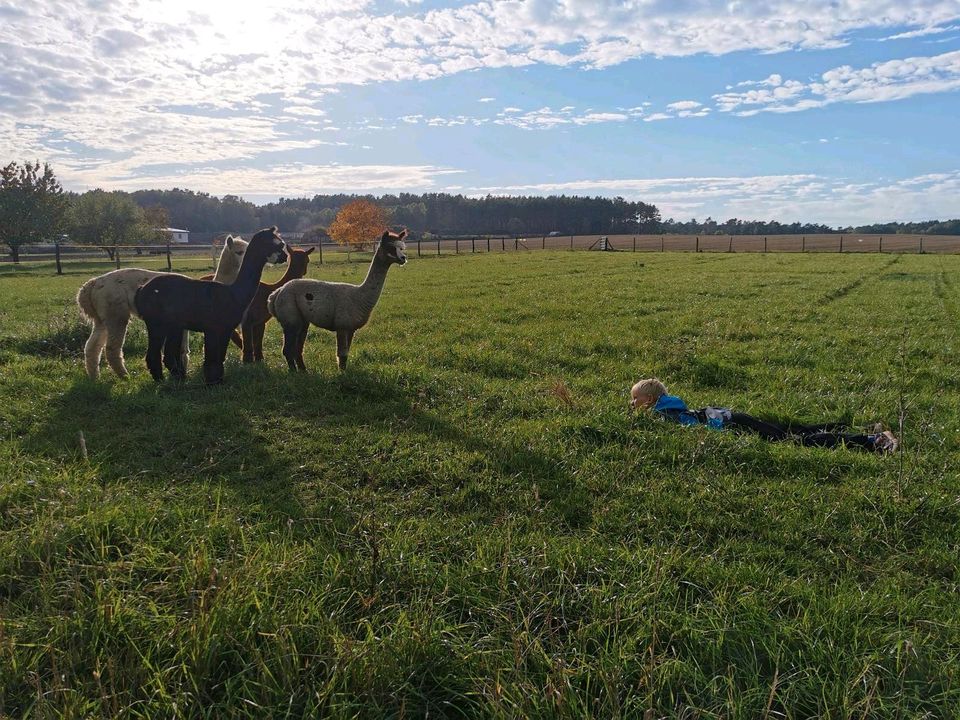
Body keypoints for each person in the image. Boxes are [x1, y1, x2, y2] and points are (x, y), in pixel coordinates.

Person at [629, 377, 899, 453]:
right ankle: (860, 428)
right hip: (733, 417)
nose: (632, 404)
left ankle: (873, 440)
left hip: (735, 427)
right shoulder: (673, 405)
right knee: (791, 433)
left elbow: (692, 431)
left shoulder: (665, 416)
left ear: (650, 401)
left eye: (635, 399)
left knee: (794, 442)